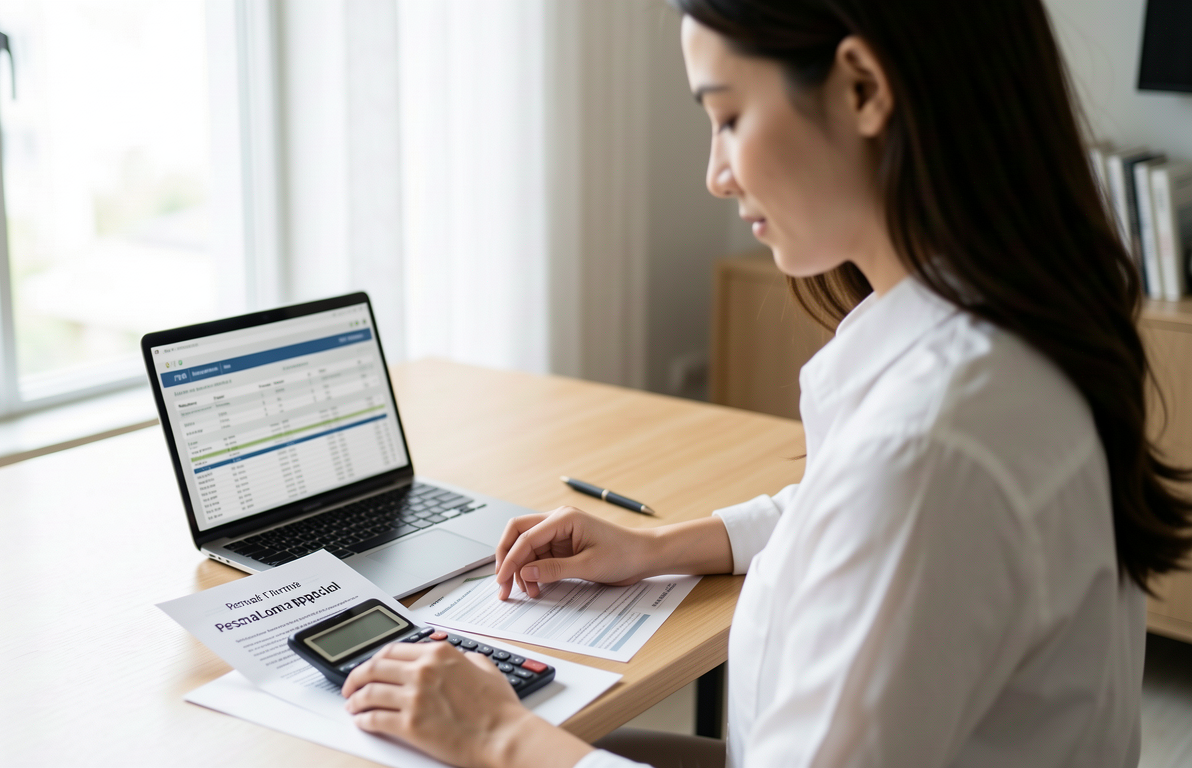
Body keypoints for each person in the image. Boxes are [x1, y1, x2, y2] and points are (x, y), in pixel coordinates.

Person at [338, 0, 1192, 766]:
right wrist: (657, 547)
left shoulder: (931, 449)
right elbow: (838, 508)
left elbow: (890, 497)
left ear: (862, 88)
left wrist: (497, 733)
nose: (716, 173)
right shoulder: (1008, 333)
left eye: (729, 116)